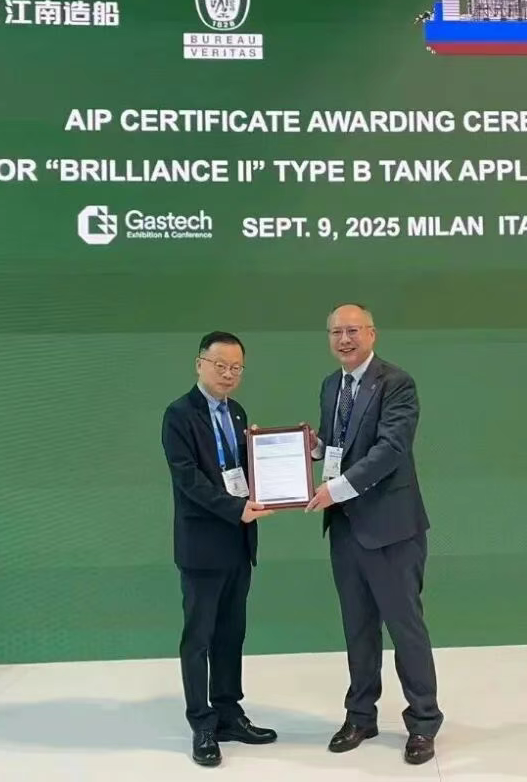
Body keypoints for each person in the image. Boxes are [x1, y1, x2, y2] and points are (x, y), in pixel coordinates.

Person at [305, 304, 443, 765]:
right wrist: (312, 447)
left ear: (372, 334)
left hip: (392, 529)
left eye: (352, 330)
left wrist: (336, 489)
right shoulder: (332, 385)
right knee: (358, 628)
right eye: (336, 332)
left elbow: (390, 449)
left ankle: (423, 722)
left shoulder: (397, 383)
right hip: (345, 528)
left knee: (405, 628)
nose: (344, 339)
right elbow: (339, 445)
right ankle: (360, 716)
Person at [160, 331, 277, 767]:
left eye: (236, 368)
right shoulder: (178, 414)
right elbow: (187, 479)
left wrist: (280, 462)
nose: (228, 374)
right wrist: (235, 508)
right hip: (202, 545)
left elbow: (246, 468)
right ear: (199, 364)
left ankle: (229, 713)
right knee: (199, 638)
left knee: (231, 633)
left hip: (238, 540)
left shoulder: (238, 412)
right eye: (220, 365)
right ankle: (202, 724)